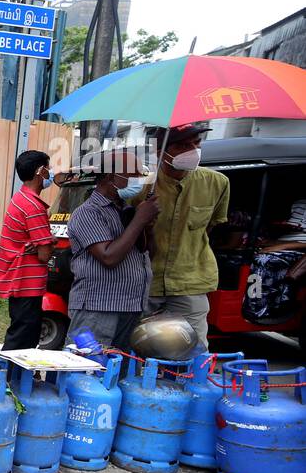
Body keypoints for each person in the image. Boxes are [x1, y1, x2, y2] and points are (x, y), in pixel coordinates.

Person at [136, 123, 230, 348]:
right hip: (144, 282)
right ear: (161, 152)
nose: (193, 150)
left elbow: (209, 228)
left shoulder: (217, 183)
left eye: (196, 144)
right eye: (183, 145)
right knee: (136, 350)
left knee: (194, 350)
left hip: (191, 281)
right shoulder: (141, 185)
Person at [65, 151, 159, 350]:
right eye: (132, 175)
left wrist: (147, 227)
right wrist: (139, 220)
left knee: (121, 371)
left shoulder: (126, 210)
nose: (139, 181)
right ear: (110, 178)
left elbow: (149, 252)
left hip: (131, 306)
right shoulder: (88, 212)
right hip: (98, 308)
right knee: (92, 368)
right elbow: (108, 257)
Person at [0, 150, 68, 349]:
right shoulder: (33, 206)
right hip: (26, 280)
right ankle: (11, 377)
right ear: (40, 171)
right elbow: (44, 255)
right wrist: (49, 243)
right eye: (48, 168)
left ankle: (16, 376)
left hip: (19, 279)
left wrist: (42, 242)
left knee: (23, 330)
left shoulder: (20, 199)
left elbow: (37, 245)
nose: (51, 173)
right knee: (23, 335)